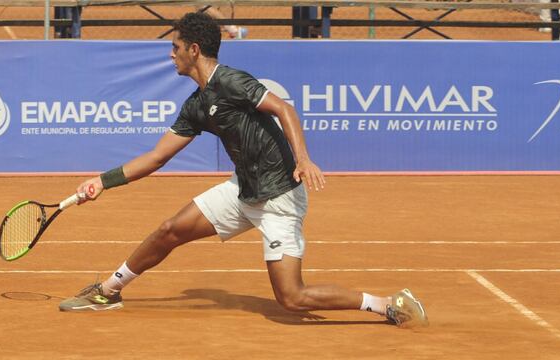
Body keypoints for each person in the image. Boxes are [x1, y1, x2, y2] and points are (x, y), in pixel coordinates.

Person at [58, 12, 428, 328]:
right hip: (242, 191)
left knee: (292, 298)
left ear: (194, 50)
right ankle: (108, 291)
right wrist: (102, 181)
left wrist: (303, 158)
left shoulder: (233, 81)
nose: (171, 55)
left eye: (175, 47)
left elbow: (285, 110)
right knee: (170, 230)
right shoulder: (196, 105)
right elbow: (156, 158)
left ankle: (386, 304)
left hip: (280, 196)